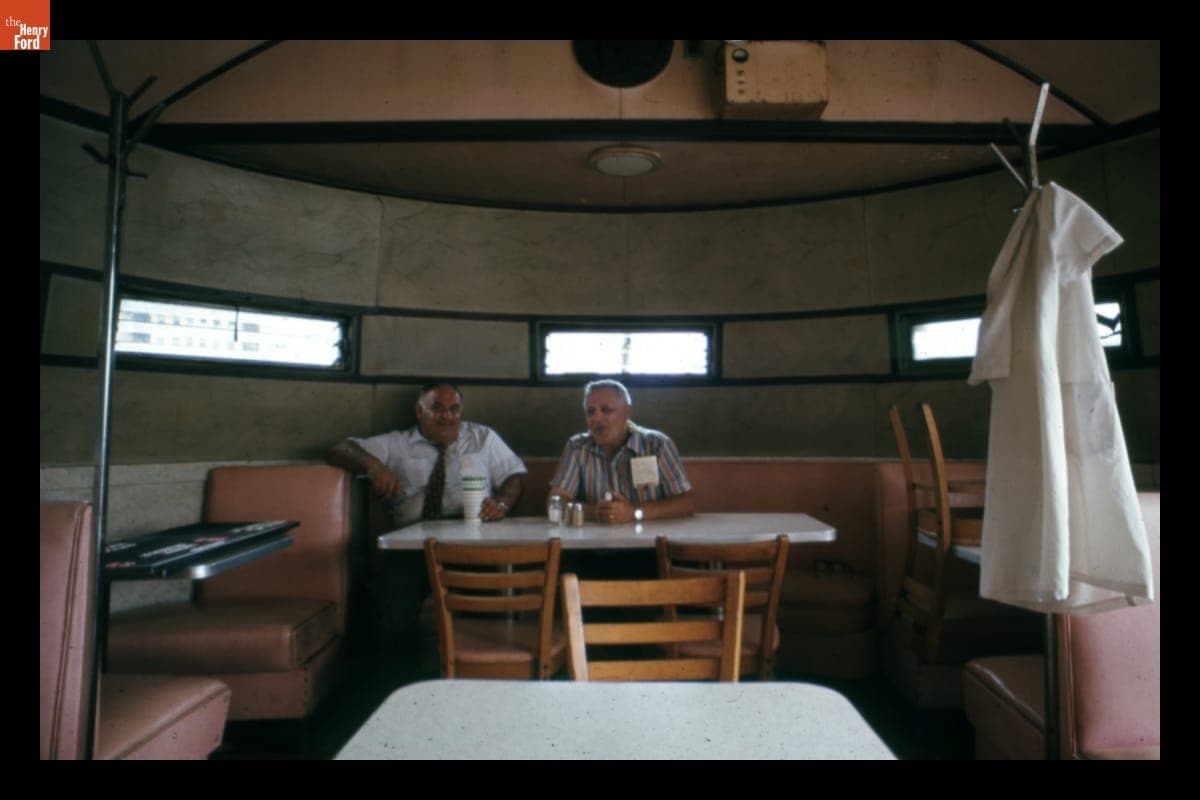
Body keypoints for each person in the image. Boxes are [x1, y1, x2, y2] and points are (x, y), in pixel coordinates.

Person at [328, 383, 526, 526]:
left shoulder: (483, 437)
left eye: (454, 410)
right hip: (412, 538)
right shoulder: (397, 443)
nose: (447, 417)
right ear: (419, 410)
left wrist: (501, 504)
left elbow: (512, 475)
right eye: (437, 409)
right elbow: (341, 449)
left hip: (474, 530)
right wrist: (374, 467)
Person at [549, 379, 693, 524]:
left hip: (650, 536)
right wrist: (597, 512)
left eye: (606, 410)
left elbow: (686, 503)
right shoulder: (577, 447)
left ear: (627, 412)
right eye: (590, 412)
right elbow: (555, 501)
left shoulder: (657, 445)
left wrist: (633, 513)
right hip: (595, 536)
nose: (596, 418)